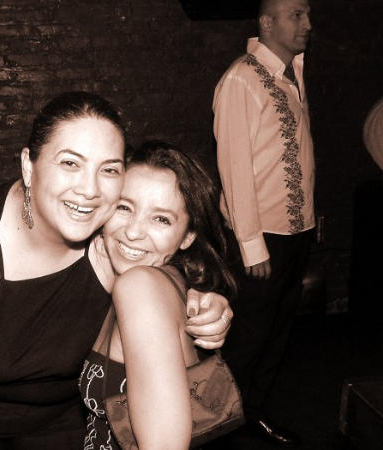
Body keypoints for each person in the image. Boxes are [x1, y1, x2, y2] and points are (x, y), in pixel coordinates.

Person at [0, 91, 234, 450]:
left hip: (58, 424)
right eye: (70, 163)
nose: (89, 190)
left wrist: (199, 300)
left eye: (108, 169)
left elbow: (157, 256)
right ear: (29, 166)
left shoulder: (110, 239)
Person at [79, 141, 236, 449]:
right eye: (125, 207)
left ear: (188, 236)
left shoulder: (138, 286)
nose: (133, 232)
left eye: (161, 219)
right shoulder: (168, 278)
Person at [212, 0, 315, 446]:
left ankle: (253, 417)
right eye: (296, 15)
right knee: (246, 342)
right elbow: (235, 169)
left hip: (295, 234)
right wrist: (252, 245)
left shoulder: (293, 72)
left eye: (308, 14)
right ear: (267, 23)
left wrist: (309, 223)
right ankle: (220, 431)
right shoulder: (242, 79)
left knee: (276, 336)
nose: (307, 24)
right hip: (259, 240)